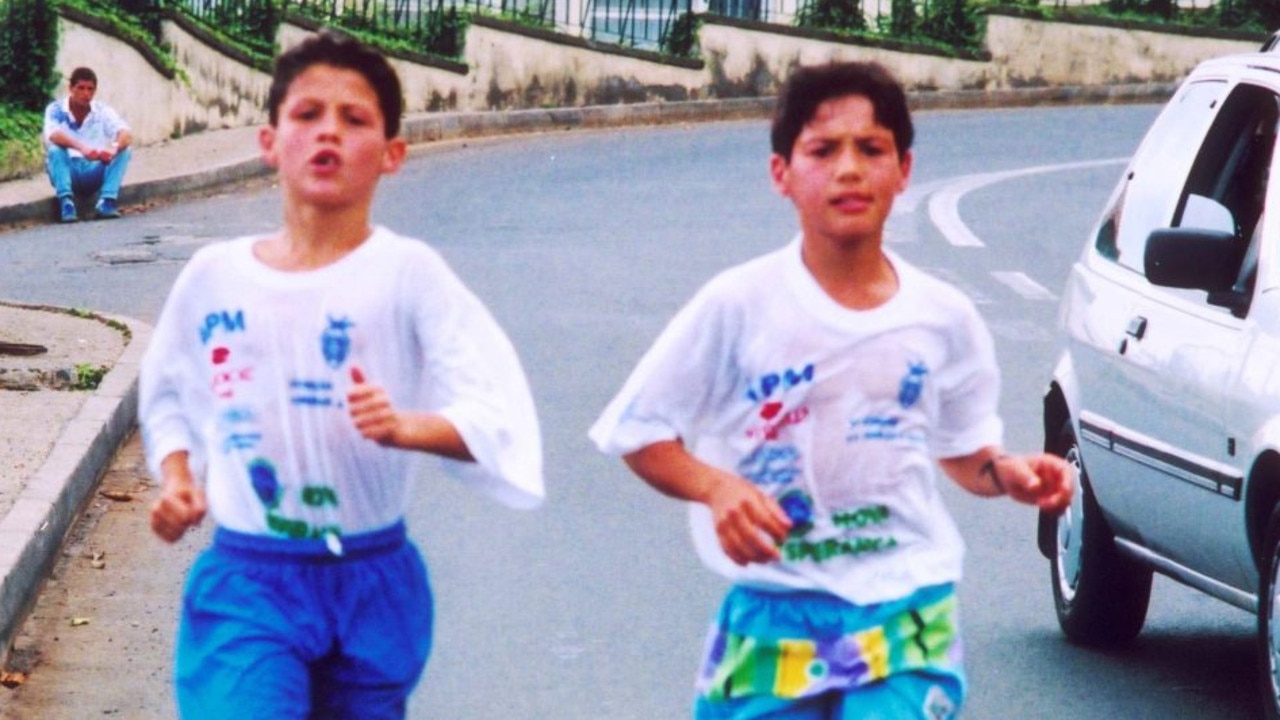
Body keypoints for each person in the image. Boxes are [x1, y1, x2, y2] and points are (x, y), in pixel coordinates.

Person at [589, 61, 1073, 720]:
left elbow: (965, 452)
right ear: (781, 174)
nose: (848, 168)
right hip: (772, 610)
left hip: (905, 606)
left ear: (903, 169)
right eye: (823, 150)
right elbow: (640, 432)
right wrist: (717, 488)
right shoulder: (737, 306)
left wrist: (1008, 472)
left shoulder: (943, 317)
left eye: (871, 149)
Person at [138, 31, 544, 719]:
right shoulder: (214, 278)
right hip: (250, 581)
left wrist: (408, 426)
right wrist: (178, 478)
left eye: (354, 119)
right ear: (270, 140)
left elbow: (495, 412)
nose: (329, 132)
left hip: (373, 581)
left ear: (392, 154)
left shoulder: (409, 275)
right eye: (307, 115)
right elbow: (169, 389)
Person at [42, 66, 132, 222]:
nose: (86, 94)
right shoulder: (56, 110)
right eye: (81, 88)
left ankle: (107, 201)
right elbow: (53, 135)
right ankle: (66, 203)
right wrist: (82, 148)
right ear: (71, 88)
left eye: (90, 89)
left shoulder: (102, 110)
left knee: (125, 150)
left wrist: (112, 148)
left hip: (93, 169)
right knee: (55, 150)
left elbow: (125, 133)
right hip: (67, 168)